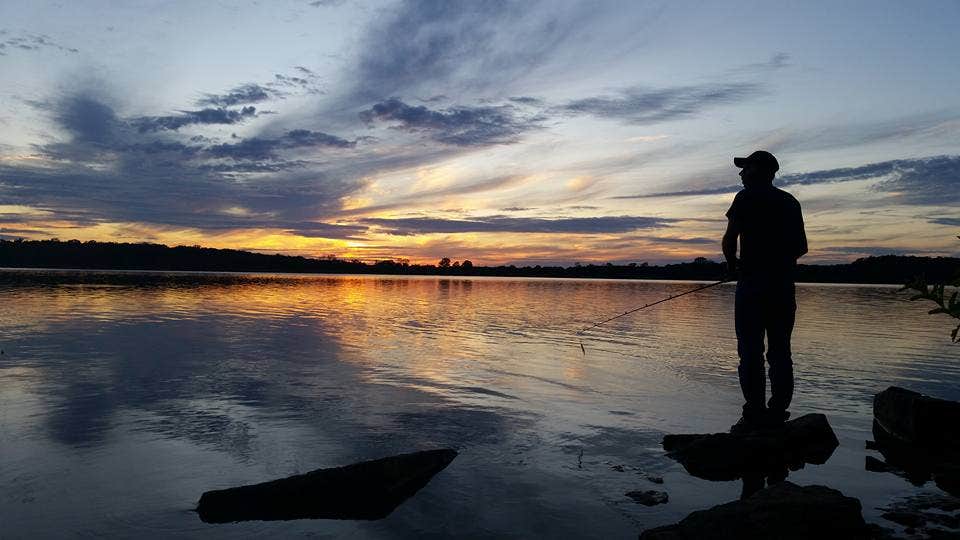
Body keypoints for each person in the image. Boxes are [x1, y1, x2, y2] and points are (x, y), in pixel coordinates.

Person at [722, 150, 807, 433]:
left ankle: (755, 412)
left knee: (750, 352)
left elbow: (729, 239)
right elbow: (801, 247)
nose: (741, 173)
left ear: (758, 171)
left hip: (752, 287)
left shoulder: (744, 198)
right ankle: (778, 411)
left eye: (745, 168)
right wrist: (777, 263)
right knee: (780, 352)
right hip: (783, 287)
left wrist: (733, 266)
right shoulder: (790, 202)